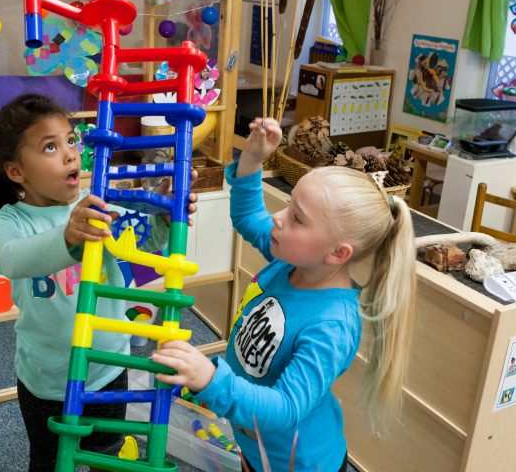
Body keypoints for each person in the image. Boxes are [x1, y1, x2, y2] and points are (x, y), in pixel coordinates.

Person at [151, 117, 416, 472]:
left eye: (297, 219)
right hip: (256, 447)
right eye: (288, 206)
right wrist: (253, 159)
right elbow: (248, 215)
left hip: (299, 463)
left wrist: (211, 380)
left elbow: (286, 408)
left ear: (338, 253)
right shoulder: (289, 261)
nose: (279, 218)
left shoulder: (333, 326)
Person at [0, 94, 198, 471]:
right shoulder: (9, 222)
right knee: (49, 460)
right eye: (50, 147)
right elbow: (14, 258)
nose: (70, 154)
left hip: (107, 367)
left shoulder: (98, 207)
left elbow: (148, 241)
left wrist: (165, 214)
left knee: (107, 453)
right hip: (47, 380)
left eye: (71, 140)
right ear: (16, 172)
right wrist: (68, 236)